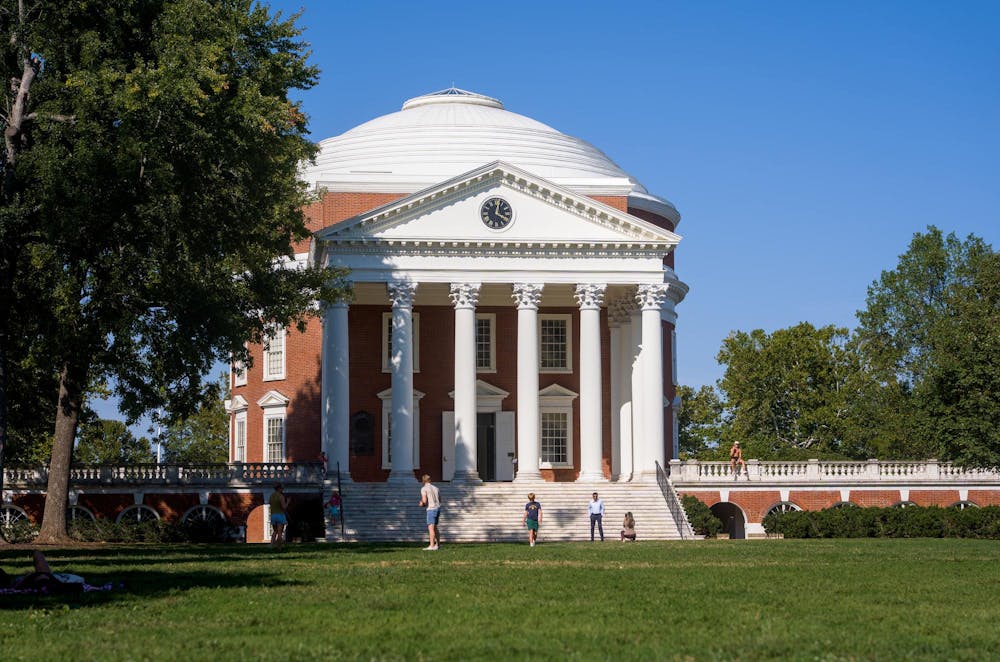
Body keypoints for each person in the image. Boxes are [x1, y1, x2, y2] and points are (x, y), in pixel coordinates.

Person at [0, 551, 85, 593]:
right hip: (42, 579)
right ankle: (48, 582)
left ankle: (47, 581)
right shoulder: (16, 586)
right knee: (38, 555)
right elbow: (19, 585)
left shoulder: (15, 583)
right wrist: (31, 575)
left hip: (42, 579)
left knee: (37, 554)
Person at [418, 474, 441, 550]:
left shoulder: (424, 489)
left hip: (431, 509)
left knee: (431, 528)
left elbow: (424, 501)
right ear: (430, 480)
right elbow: (440, 500)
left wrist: (421, 503)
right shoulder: (436, 488)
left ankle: (432, 545)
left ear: (423, 481)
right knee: (435, 528)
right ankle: (438, 545)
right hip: (438, 508)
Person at [269, 483, 289, 548]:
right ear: (279, 488)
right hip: (280, 515)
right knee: (280, 532)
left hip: (273, 515)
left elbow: (271, 504)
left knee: (275, 531)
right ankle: (279, 546)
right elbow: (284, 507)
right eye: (282, 488)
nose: (282, 489)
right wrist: (288, 502)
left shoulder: (271, 496)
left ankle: (271, 545)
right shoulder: (281, 496)